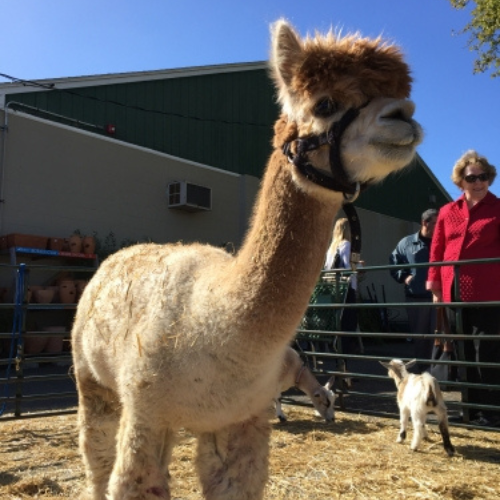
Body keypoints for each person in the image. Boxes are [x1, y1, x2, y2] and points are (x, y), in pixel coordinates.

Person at [427, 150, 500, 426]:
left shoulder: (497, 208)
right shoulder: (448, 211)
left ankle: (491, 411)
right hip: (453, 292)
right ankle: (470, 409)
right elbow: (437, 249)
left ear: (489, 179)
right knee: (462, 352)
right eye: (472, 178)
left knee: (487, 353)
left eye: (483, 177)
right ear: (461, 181)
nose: (478, 182)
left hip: (490, 292)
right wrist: (434, 284)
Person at [389, 208, 438, 374]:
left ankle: (438, 371)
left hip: (439, 297)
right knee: (420, 337)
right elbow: (394, 261)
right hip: (416, 297)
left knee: (439, 336)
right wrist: (404, 277)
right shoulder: (407, 243)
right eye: (436, 223)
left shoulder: (441, 241)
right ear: (425, 223)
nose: (440, 227)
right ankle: (422, 371)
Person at [324, 218, 363, 357]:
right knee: (348, 325)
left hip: (333, 289)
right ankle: (344, 362)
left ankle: (339, 361)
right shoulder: (346, 245)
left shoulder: (332, 247)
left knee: (338, 325)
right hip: (346, 290)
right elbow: (348, 268)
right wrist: (359, 265)